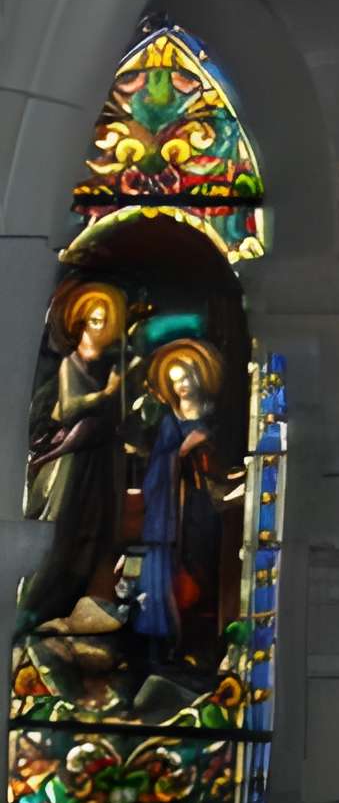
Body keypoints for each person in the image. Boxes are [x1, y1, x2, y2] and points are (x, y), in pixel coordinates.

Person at [22, 283, 130, 633]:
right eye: (95, 321)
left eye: (106, 322)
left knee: (95, 532)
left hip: (99, 460)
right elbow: (69, 410)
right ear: (81, 324)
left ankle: (75, 608)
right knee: (66, 528)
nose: (102, 329)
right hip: (71, 459)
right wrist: (107, 393)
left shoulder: (108, 364)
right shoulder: (71, 364)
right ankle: (40, 607)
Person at [132, 340, 233, 673]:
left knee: (205, 566)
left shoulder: (215, 417)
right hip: (173, 508)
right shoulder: (168, 422)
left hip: (206, 505)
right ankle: (170, 647)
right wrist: (180, 452)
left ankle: (200, 647)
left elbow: (225, 459)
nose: (182, 385)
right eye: (175, 380)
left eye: (186, 376)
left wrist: (205, 446)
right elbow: (159, 464)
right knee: (174, 572)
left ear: (198, 374)